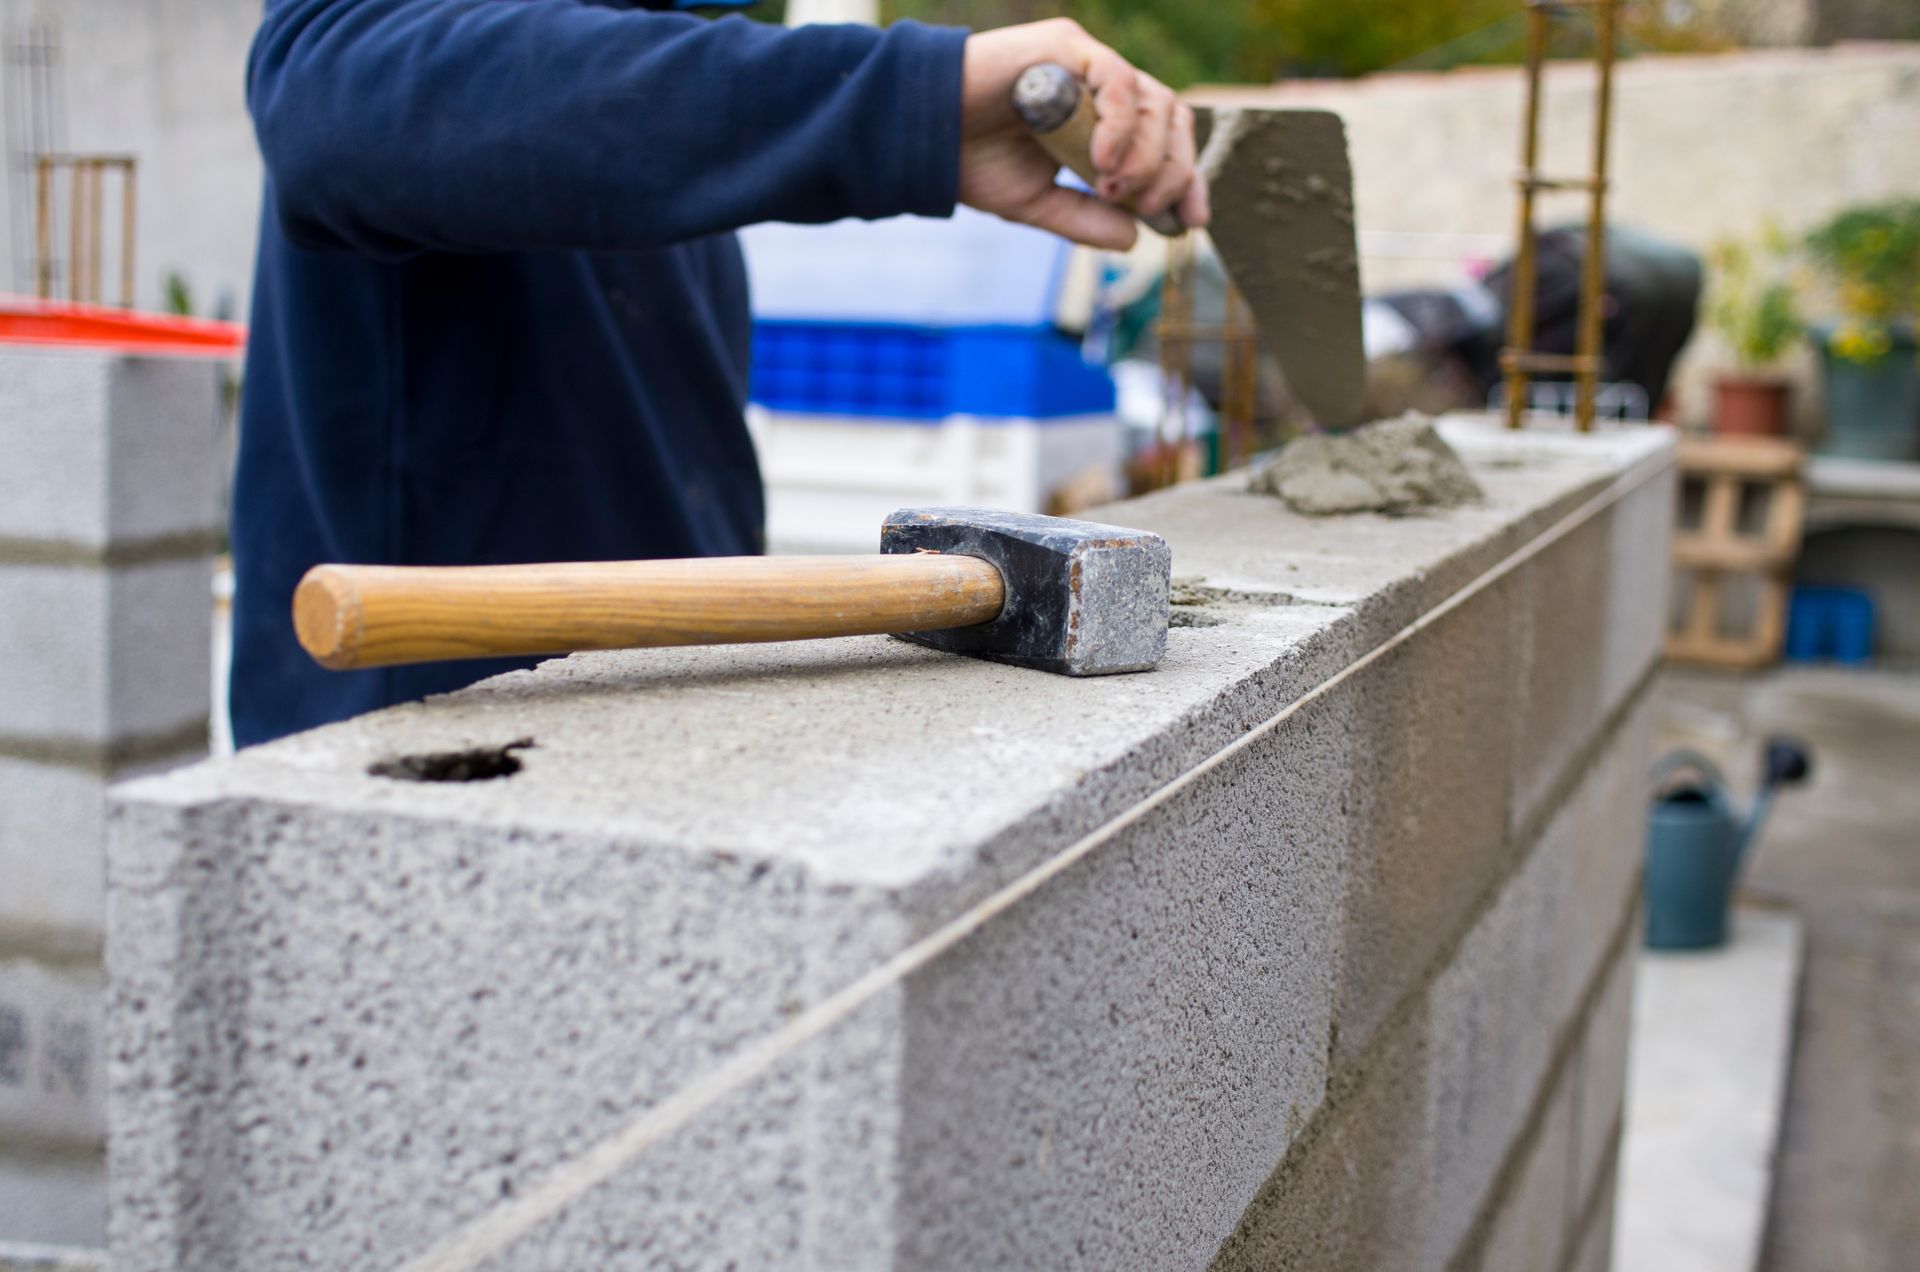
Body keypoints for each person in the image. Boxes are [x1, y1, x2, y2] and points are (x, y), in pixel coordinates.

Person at [231, 0, 1209, 747]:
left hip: (647, 753)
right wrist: (904, 103)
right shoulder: (414, 53)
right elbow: (332, 107)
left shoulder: (663, 99)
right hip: (420, 772)